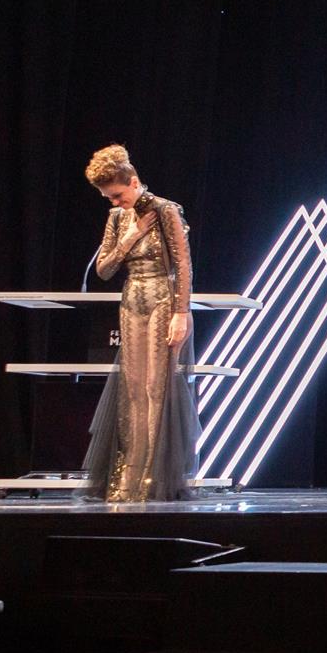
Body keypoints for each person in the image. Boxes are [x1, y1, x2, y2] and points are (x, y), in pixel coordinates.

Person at [81, 145, 199, 502]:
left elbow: (183, 266)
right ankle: (129, 476)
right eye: (108, 197)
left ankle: (152, 474)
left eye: (117, 195)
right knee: (132, 389)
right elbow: (103, 269)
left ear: (133, 182)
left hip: (162, 297)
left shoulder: (165, 210)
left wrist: (182, 312)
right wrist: (130, 237)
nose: (114, 202)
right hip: (132, 300)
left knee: (154, 386)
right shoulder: (118, 218)